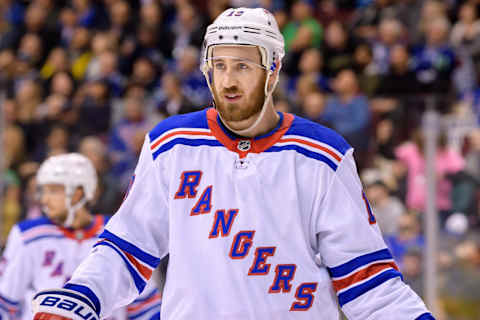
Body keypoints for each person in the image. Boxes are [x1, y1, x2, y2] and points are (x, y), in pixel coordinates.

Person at [32, 8, 434, 320]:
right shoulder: (171, 145)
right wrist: (81, 294)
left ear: (272, 69)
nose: (227, 81)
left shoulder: (322, 156)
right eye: (219, 65)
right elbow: (127, 247)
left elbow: (368, 280)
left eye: (242, 66)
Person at [0, 153, 161, 320]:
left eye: (54, 191)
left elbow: (145, 307)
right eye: (43, 191)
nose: (45, 199)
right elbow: (5, 304)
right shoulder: (27, 236)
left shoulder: (120, 232)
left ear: (77, 193)